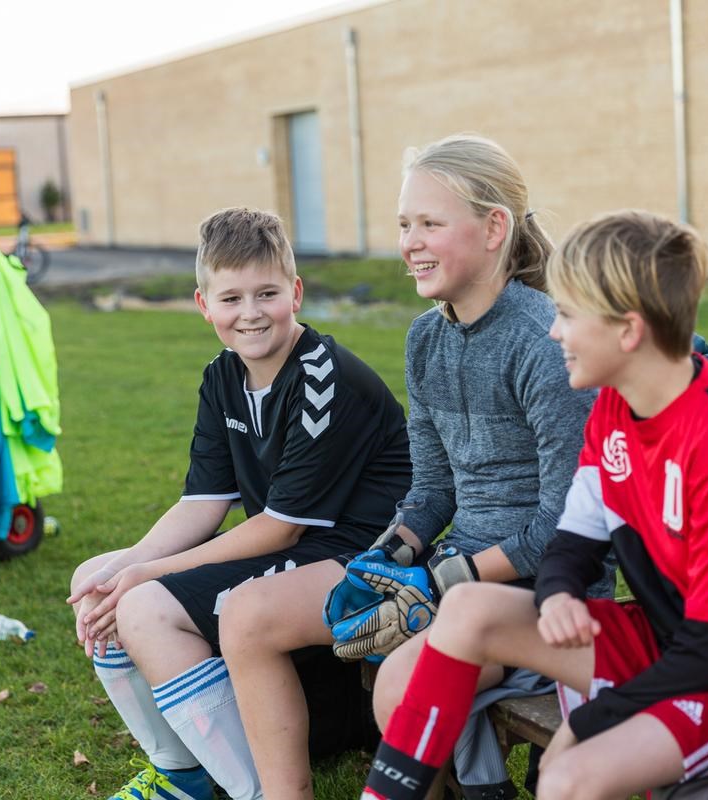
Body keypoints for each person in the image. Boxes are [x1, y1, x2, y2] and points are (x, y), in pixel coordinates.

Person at [360, 210, 708, 800]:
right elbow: (573, 540)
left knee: (567, 776)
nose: (553, 332)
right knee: (466, 608)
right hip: (671, 645)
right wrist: (559, 592)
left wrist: (593, 718)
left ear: (628, 332)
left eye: (567, 314)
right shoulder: (614, 408)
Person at [219, 134, 605, 800]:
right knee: (247, 613)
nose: (410, 243)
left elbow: (567, 524)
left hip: (544, 596)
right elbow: (432, 490)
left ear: (494, 228)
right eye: (404, 225)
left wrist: (440, 577)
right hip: (449, 572)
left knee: (401, 683)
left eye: (430, 223)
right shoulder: (425, 337)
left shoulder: (544, 341)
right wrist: (385, 560)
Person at [66, 208, 412, 800]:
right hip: (294, 547)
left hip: (357, 557)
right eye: (231, 298)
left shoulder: (323, 377)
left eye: (266, 294)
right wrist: (125, 566)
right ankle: (183, 773)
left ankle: (248, 786)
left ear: (295, 293)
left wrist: (148, 574)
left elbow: (279, 530)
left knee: (146, 606)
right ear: (205, 305)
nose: (250, 313)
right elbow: (201, 503)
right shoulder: (223, 375)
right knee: (95, 580)